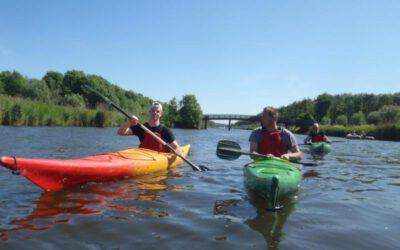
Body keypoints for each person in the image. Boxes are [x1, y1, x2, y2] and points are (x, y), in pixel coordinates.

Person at [118, 102, 182, 154]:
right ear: (149, 112)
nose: (155, 113)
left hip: (158, 159)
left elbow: (176, 147)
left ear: (161, 114)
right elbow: (121, 132)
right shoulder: (141, 127)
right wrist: (128, 122)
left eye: (158, 111)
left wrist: (177, 151)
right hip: (143, 157)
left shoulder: (165, 130)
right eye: (153, 110)